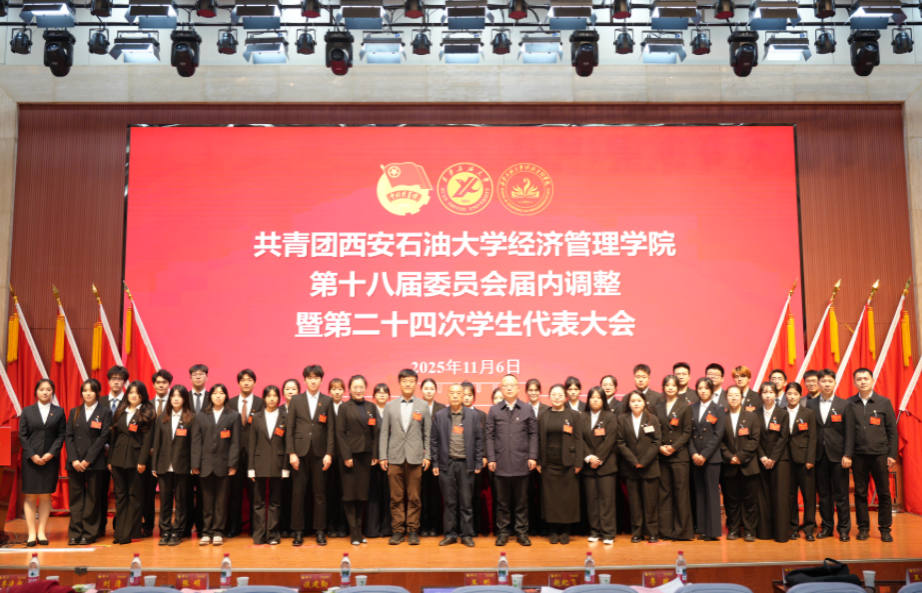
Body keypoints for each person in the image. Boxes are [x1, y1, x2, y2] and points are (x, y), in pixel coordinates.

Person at [843, 367, 898, 543]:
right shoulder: (849, 403)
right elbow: (847, 432)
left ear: (872, 381)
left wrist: (892, 454)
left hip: (879, 454)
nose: (863, 382)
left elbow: (892, 431)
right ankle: (863, 528)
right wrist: (848, 454)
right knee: (860, 493)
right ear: (854, 382)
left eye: (866, 378)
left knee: (884, 493)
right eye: (859, 379)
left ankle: (885, 529)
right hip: (858, 455)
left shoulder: (884, 402)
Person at [379, 369, 432, 545]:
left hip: (415, 457)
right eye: (404, 380)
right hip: (395, 457)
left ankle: (413, 530)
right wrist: (383, 456)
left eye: (411, 380)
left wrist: (428, 455)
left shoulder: (423, 405)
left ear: (416, 383)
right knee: (396, 497)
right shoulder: (390, 406)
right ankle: (398, 530)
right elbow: (384, 432)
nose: (408, 384)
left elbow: (428, 432)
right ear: (399, 383)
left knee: (414, 497)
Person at [486, 374, 538, 547]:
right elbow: (489, 436)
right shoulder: (494, 410)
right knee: (502, 503)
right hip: (500, 464)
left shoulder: (527, 409)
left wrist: (533, 456)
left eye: (512, 385)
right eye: (505, 385)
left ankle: (522, 532)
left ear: (518, 388)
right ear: (501, 388)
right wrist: (491, 457)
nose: (509, 388)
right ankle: (503, 532)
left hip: (522, 462)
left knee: (522, 502)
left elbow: (533, 434)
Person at [287, 364, 335, 547]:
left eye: (316, 378)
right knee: (298, 493)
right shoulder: (296, 400)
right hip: (299, 453)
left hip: (320, 454)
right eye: (310, 378)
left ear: (321, 380)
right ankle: (298, 531)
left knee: (319, 493)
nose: (313, 381)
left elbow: (331, 429)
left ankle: (320, 531)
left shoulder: (327, 401)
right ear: (305, 380)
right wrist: (291, 453)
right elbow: (290, 428)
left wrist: (329, 453)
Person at [431, 383, 483, 547]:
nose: (455, 396)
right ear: (447, 396)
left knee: (466, 502)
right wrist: (435, 462)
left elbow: (479, 440)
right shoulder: (440, 416)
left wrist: (478, 461)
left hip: (466, 465)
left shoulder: (473, 415)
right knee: (449, 502)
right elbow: (434, 441)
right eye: (452, 393)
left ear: (463, 396)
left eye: (458, 393)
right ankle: (450, 534)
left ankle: (466, 535)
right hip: (447, 464)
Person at [65, 378, 112, 546]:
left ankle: (89, 533)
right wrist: (74, 459)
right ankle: (75, 532)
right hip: (75, 462)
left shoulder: (105, 412)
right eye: (85, 390)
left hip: (95, 462)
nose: (87, 393)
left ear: (98, 392)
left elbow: (103, 438)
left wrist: (87, 460)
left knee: (93, 498)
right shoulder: (74, 412)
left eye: (91, 390)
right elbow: (68, 436)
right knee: (76, 499)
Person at [192, 383, 240, 546]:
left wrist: (233, 464)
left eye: (221, 393)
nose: (218, 395)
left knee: (221, 501)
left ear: (226, 396)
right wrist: (195, 463)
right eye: (215, 393)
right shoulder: (200, 416)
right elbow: (196, 442)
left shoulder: (233, 415)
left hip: (224, 465)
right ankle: (206, 532)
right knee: (206, 501)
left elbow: (235, 442)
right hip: (205, 464)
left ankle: (218, 532)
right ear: (210, 396)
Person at [108, 380, 155, 545]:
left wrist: (142, 461)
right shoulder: (121, 411)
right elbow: (113, 437)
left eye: (137, 393)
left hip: (136, 461)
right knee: (120, 496)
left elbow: (147, 440)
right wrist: (110, 460)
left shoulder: (147, 413)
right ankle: (119, 533)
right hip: (118, 459)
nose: (134, 395)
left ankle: (131, 533)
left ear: (143, 396)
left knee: (134, 496)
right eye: (131, 392)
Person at [806, 369, 850, 541]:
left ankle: (844, 529)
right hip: (819, 456)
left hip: (839, 456)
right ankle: (826, 527)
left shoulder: (844, 404)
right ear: (818, 384)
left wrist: (848, 454)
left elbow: (850, 432)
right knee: (824, 494)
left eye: (830, 381)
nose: (826, 384)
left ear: (835, 383)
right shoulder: (810, 404)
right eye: (823, 381)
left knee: (841, 494)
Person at [20, 378, 65, 546]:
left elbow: (61, 435)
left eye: (48, 389)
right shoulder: (27, 411)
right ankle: (32, 533)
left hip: (50, 460)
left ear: (52, 392)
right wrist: (32, 455)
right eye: (42, 389)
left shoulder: (59, 411)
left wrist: (51, 453)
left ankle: (41, 532)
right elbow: (23, 436)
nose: (45, 392)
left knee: (46, 495)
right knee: (30, 495)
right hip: (30, 460)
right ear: (36, 392)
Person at [537, 384, 583, 544]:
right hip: (548, 463)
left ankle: (565, 530)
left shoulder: (573, 415)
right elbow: (538, 439)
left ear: (565, 397)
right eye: (553, 394)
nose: (556, 397)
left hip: (568, 463)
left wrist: (578, 462)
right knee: (550, 499)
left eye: (560, 394)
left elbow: (579, 439)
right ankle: (553, 530)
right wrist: (538, 460)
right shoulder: (543, 415)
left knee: (567, 498)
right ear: (549, 396)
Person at [336, 375, 379, 545]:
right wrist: (346, 456)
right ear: (350, 389)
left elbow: (375, 433)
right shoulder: (344, 408)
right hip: (350, 457)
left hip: (366, 457)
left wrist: (375, 454)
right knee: (349, 495)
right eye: (355, 387)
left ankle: (359, 530)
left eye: (361, 387)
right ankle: (353, 531)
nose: (358, 390)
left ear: (365, 388)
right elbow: (340, 433)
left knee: (361, 495)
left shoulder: (371, 407)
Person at [151, 384, 196, 546]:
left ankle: (177, 531)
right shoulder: (162, 417)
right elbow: (157, 442)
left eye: (179, 396)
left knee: (182, 501)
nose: (176, 399)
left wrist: (193, 465)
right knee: (165, 501)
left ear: (185, 399)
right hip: (164, 465)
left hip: (183, 465)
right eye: (173, 396)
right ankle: (165, 531)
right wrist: (154, 465)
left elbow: (194, 444)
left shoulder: (191, 417)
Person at [617, 390, 661, 543]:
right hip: (631, 468)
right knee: (635, 503)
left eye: (639, 401)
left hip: (649, 467)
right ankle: (637, 532)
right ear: (628, 404)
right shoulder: (622, 419)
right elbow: (620, 442)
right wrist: (634, 461)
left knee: (650, 503)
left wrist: (644, 461)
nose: (636, 403)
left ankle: (653, 532)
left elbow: (656, 442)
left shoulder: (652, 419)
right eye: (633, 401)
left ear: (644, 403)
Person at [249, 385, 290, 546]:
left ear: (279, 398)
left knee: (275, 501)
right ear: (264, 398)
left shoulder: (285, 416)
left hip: (278, 463)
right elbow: (252, 443)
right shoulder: (257, 417)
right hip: (259, 463)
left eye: (275, 396)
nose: (272, 399)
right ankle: (259, 535)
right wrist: (250, 468)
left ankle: (273, 534)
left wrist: (286, 467)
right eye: (269, 396)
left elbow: (288, 444)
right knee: (258, 502)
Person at [719, 385, 760, 543]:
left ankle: (749, 531)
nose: (734, 397)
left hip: (748, 466)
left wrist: (741, 457)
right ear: (726, 398)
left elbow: (755, 440)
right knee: (731, 501)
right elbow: (719, 441)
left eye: (737, 395)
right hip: (729, 466)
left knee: (750, 501)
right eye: (730, 395)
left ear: (742, 398)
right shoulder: (722, 417)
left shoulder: (752, 416)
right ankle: (734, 529)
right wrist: (730, 457)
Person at [655, 374, 693, 541]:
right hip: (662, 456)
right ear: (663, 387)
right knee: (664, 495)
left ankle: (681, 532)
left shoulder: (684, 406)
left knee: (681, 495)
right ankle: (665, 531)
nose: (670, 388)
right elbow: (654, 430)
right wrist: (659, 447)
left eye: (673, 385)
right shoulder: (657, 407)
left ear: (678, 388)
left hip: (679, 457)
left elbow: (687, 431)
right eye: (667, 385)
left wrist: (674, 447)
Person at [227, 369, 264, 539]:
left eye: (249, 379)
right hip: (234, 455)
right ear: (239, 383)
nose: (246, 382)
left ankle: (256, 528)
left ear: (254, 382)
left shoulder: (261, 403)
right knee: (235, 493)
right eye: (243, 379)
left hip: (254, 456)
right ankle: (234, 527)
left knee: (254, 493)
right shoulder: (231, 403)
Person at [688, 378, 725, 541]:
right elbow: (688, 433)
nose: (703, 391)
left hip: (711, 458)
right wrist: (694, 454)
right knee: (700, 493)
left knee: (712, 493)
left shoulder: (718, 409)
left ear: (711, 390)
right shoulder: (691, 408)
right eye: (700, 388)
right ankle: (702, 529)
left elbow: (718, 435)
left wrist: (704, 455)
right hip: (695, 457)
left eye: (706, 388)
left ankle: (713, 531)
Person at [755, 381, 791, 543]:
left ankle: (781, 534)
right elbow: (754, 438)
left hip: (779, 460)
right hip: (761, 460)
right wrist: (762, 456)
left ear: (776, 394)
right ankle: (764, 532)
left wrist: (773, 458)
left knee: (780, 496)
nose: (768, 395)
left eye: (771, 392)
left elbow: (784, 437)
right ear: (760, 395)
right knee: (762, 496)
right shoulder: (755, 414)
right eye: (765, 392)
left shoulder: (783, 413)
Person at [581, 386, 618, 545]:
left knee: (607, 500)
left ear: (603, 400)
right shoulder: (581, 416)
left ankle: (608, 533)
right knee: (592, 500)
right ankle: (595, 531)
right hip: (588, 466)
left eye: (598, 397)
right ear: (588, 399)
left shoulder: (610, 416)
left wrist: (599, 459)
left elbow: (610, 440)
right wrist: (589, 457)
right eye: (592, 397)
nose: (595, 400)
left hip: (606, 466)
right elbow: (579, 439)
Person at [97, 365, 129, 541]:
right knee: (100, 491)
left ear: (124, 382)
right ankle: (99, 526)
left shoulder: (130, 401)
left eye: (120, 379)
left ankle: (120, 527)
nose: (116, 382)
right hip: (100, 453)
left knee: (122, 492)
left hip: (123, 453)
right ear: (108, 381)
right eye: (113, 379)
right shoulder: (100, 401)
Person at [785, 382, 817, 541]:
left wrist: (810, 459)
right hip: (786, 460)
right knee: (790, 495)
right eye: (789, 394)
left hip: (805, 460)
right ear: (785, 395)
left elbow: (813, 437)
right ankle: (793, 527)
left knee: (808, 495)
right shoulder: (780, 412)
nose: (792, 397)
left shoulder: (808, 413)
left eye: (795, 394)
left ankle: (809, 528)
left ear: (800, 395)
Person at [144, 370, 172, 539]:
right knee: (148, 493)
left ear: (169, 384)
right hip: (149, 456)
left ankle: (166, 527)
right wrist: (149, 448)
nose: (161, 385)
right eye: (158, 382)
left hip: (169, 457)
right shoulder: (147, 405)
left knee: (167, 494)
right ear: (154, 385)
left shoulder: (175, 403)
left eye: (164, 382)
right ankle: (148, 525)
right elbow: (143, 429)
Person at [463, 382, 493, 537]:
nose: (466, 398)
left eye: (469, 395)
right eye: (464, 395)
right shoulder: (455, 414)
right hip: (460, 461)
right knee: (462, 496)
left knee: (475, 495)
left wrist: (484, 456)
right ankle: (462, 528)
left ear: (474, 397)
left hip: (477, 462)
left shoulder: (481, 415)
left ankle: (475, 527)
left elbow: (486, 437)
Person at [365, 383, 393, 539]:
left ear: (389, 396)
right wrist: (374, 455)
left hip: (390, 459)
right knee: (373, 495)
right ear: (374, 395)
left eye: (385, 392)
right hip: (373, 460)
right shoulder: (369, 411)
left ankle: (387, 528)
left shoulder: (392, 410)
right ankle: (372, 529)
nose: (382, 394)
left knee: (388, 494)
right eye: (378, 392)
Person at [184, 363, 209, 539]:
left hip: (206, 453)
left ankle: (201, 527)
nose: (198, 377)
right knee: (185, 492)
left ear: (207, 377)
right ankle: (185, 527)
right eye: (195, 374)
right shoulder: (183, 397)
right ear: (190, 377)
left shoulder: (213, 396)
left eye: (201, 374)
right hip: (185, 452)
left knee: (203, 493)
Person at [419, 378, 446, 538]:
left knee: (435, 494)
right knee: (422, 493)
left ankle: (435, 526)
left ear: (436, 390)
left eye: (431, 388)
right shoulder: (417, 407)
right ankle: (423, 525)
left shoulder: (442, 409)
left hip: (437, 458)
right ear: (421, 390)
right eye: (426, 388)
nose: (429, 391)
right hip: (419, 458)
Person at [325, 378, 348, 539]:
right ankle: (330, 525)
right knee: (329, 492)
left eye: (340, 389)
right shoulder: (325, 407)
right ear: (329, 391)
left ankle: (342, 525)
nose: (337, 392)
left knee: (343, 492)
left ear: (344, 391)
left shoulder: (347, 408)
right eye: (334, 389)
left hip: (344, 456)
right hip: (328, 456)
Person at [278, 378, 300, 538]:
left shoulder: (302, 410)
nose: (290, 391)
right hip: (281, 458)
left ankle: (297, 526)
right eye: (287, 389)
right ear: (283, 392)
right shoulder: (277, 411)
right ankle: (284, 526)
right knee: (283, 493)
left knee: (298, 493)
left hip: (299, 457)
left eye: (293, 389)